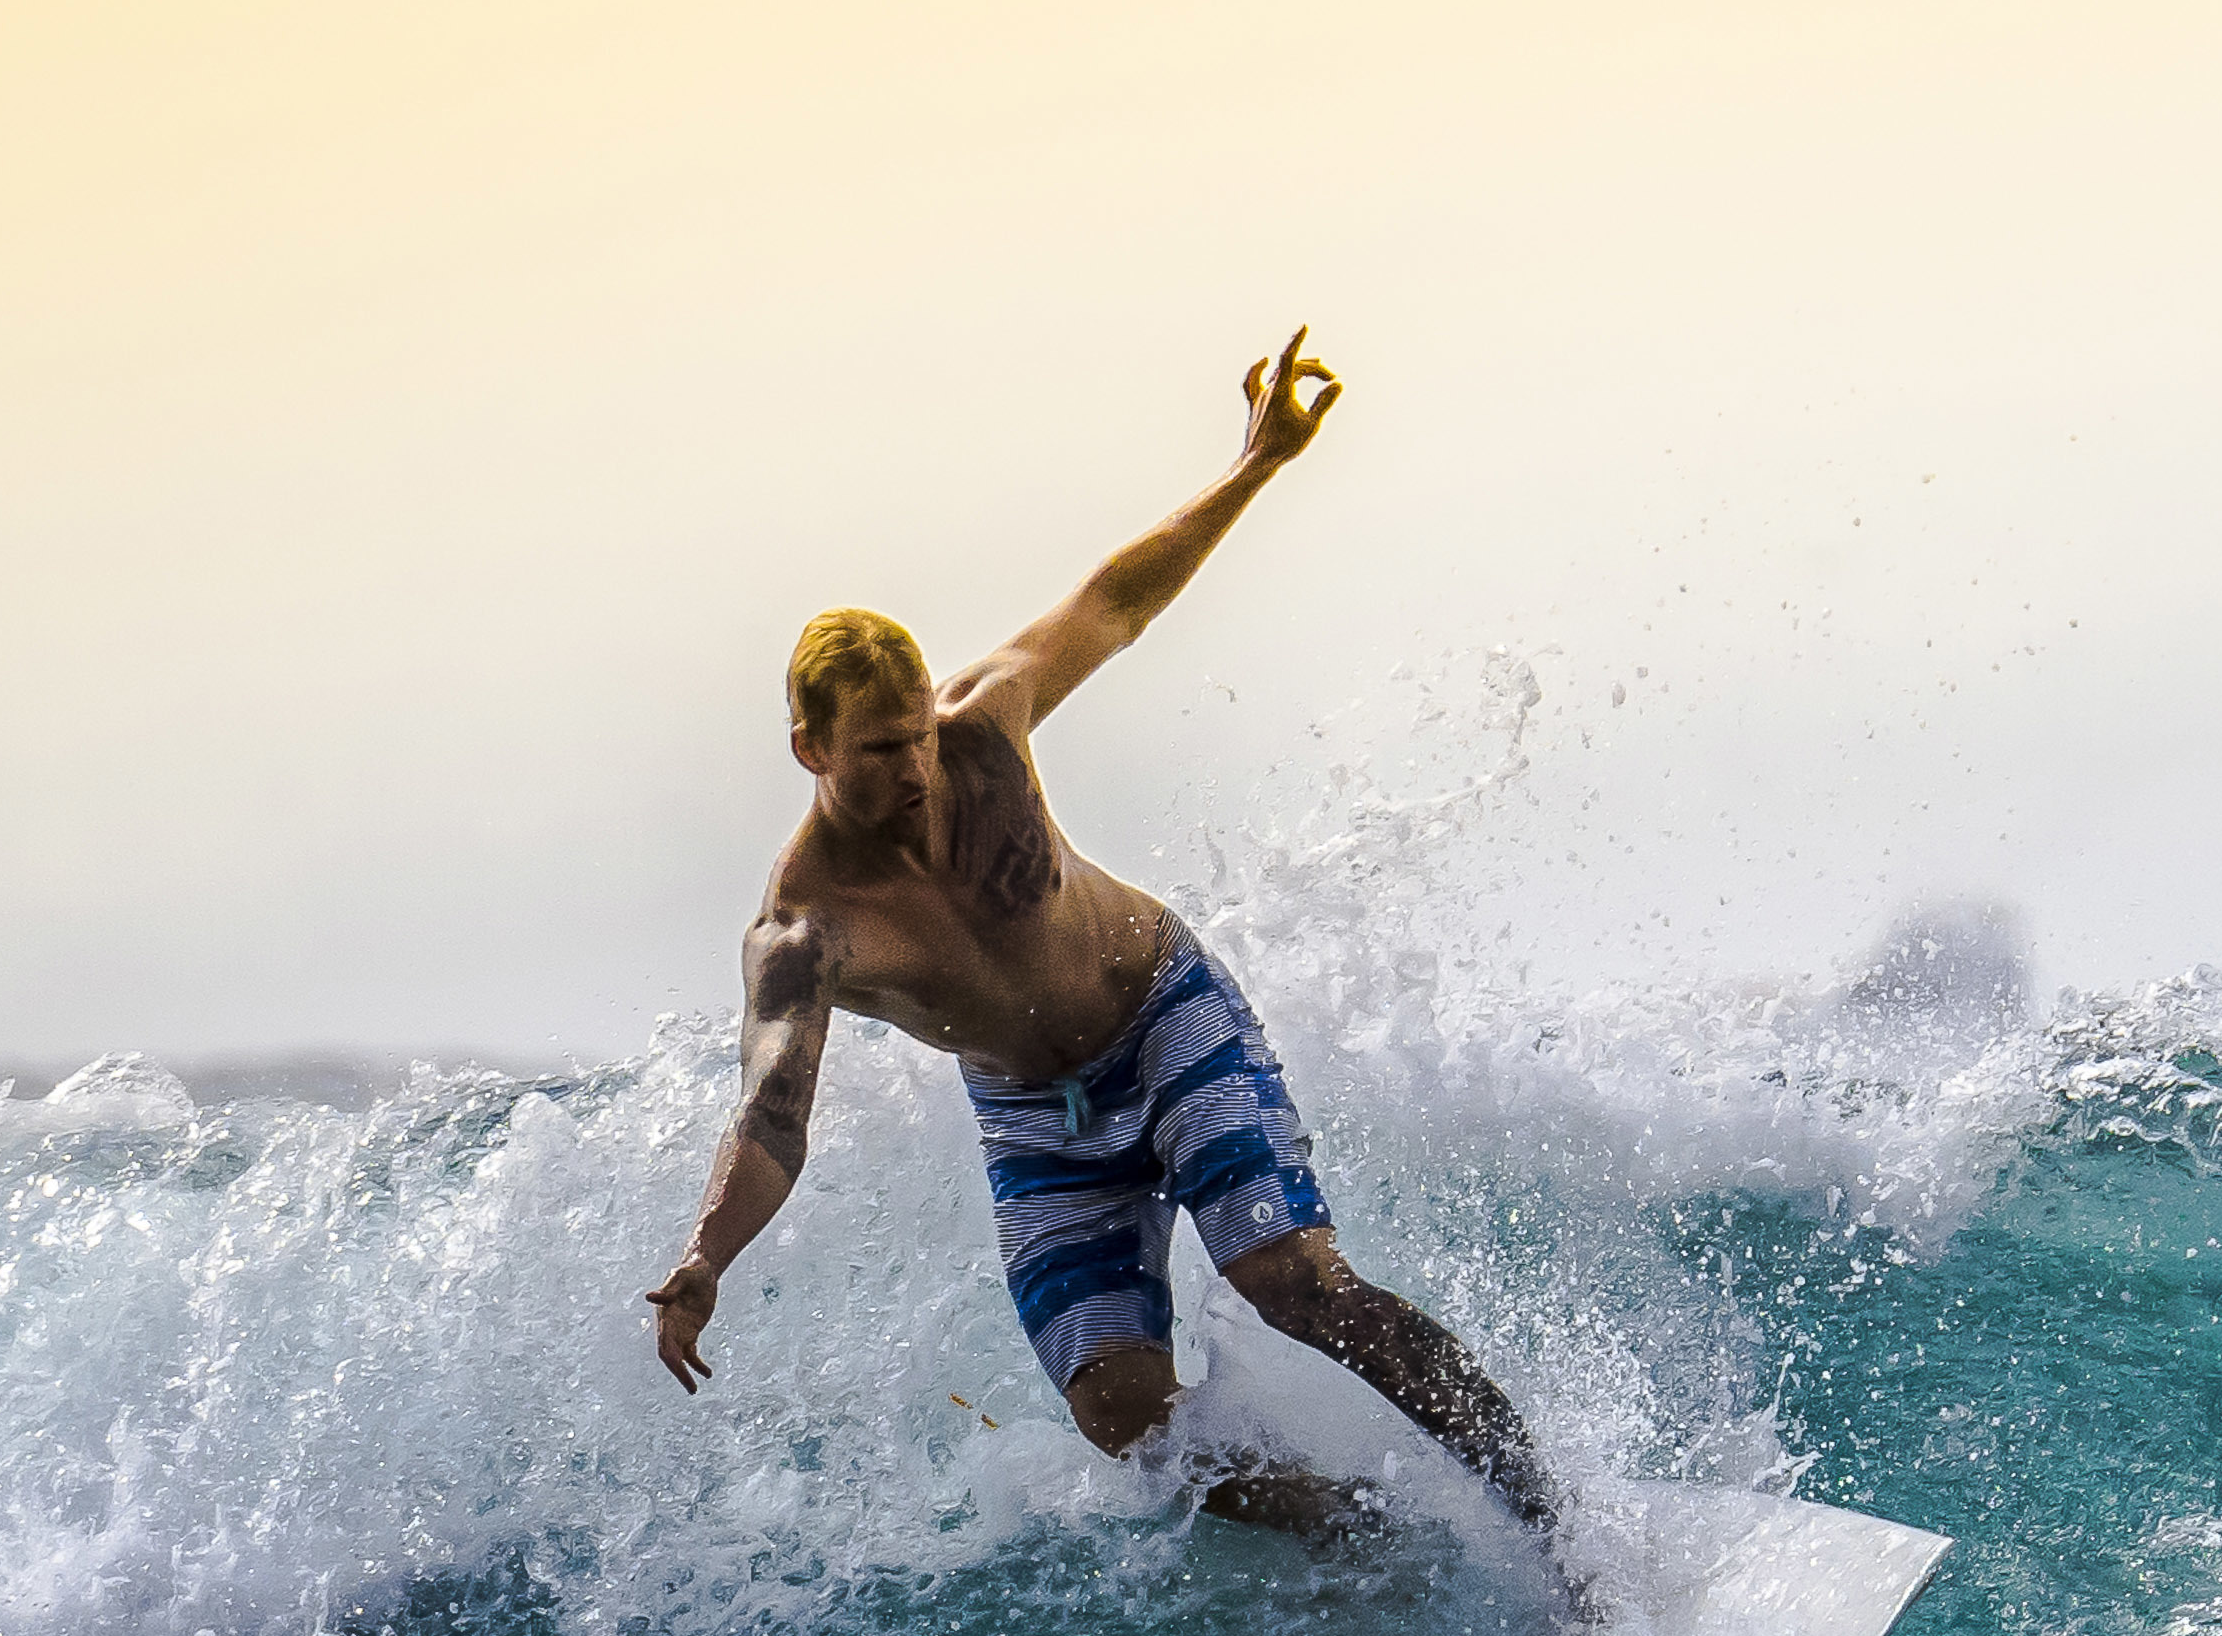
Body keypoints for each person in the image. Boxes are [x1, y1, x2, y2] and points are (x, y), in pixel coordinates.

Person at [638, 333, 1555, 1536]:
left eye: (915, 731)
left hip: (1160, 1016)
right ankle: (1372, 1535)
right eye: (876, 749)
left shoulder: (985, 726)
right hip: (1037, 1120)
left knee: (1290, 1283)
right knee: (1123, 1418)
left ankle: (1554, 1520)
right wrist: (708, 1257)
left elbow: (1115, 603)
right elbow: (771, 1110)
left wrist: (1257, 463)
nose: (914, 766)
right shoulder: (804, 930)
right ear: (808, 747)